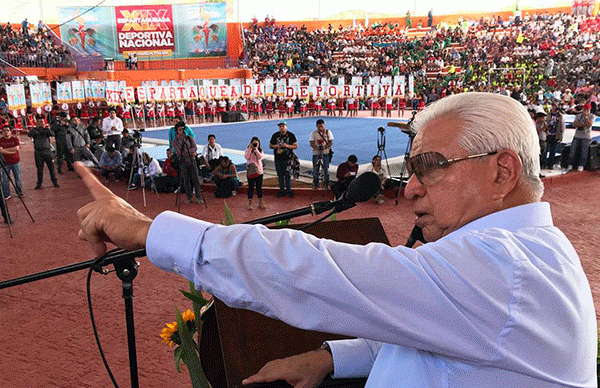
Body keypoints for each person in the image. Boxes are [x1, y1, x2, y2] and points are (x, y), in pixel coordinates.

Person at [75, 92, 596, 386]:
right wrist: (332, 358)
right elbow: (438, 333)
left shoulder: (503, 267)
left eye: (430, 167)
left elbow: (318, 272)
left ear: (502, 172)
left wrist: (146, 230)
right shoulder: (516, 259)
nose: (410, 186)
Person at [172, 124, 203, 204]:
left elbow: (195, 148)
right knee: (186, 180)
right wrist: (190, 152)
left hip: (192, 161)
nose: (182, 131)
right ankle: (189, 197)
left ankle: (198, 197)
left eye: (183, 129)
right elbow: (178, 152)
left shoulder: (189, 138)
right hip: (183, 161)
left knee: (195, 179)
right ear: (177, 131)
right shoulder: (175, 141)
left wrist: (189, 152)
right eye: (179, 129)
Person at [28, 118, 59, 189]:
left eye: (42, 122)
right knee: (39, 168)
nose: (41, 123)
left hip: (47, 150)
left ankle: (54, 181)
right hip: (38, 151)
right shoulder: (34, 130)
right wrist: (35, 128)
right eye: (39, 122)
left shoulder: (46, 130)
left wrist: (46, 128)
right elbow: (29, 134)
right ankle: (39, 183)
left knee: (51, 167)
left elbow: (52, 134)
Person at [269, 120, 297, 197]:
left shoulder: (291, 135)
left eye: (283, 126)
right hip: (278, 159)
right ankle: (281, 190)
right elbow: (271, 146)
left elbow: (295, 146)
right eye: (280, 126)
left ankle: (289, 190)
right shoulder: (275, 135)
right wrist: (276, 146)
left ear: (286, 127)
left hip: (287, 159)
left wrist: (287, 146)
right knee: (280, 175)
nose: (281, 128)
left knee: (288, 175)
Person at [568, 103, 595, 171]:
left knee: (584, 152)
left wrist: (585, 117)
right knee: (572, 151)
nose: (586, 111)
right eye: (584, 109)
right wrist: (583, 124)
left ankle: (581, 165)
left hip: (586, 137)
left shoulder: (592, 116)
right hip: (577, 136)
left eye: (587, 110)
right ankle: (570, 164)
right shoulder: (578, 116)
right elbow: (574, 124)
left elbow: (589, 124)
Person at [309, 119, 334, 190]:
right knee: (315, 169)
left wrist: (325, 147)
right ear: (316, 126)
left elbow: (331, 142)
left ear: (324, 125)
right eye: (319, 126)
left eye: (322, 126)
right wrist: (316, 147)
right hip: (316, 154)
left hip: (325, 153)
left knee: (326, 169)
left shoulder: (328, 132)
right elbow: (311, 142)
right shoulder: (313, 133)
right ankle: (315, 184)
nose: (320, 128)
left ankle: (326, 184)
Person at [0, 125, 23, 199]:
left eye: (7, 130)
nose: (6, 132)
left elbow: (16, 148)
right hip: (5, 163)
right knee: (5, 179)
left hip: (15, 162)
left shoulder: (15, 139)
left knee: (17, 177)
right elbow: (1, 150)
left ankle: (19, 192)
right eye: (4, 130)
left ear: (10, 131)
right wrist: (11, 151)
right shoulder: (1, 140)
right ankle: (6, 194)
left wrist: (5, 150)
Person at [244, 136, 266, 210]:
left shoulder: (260, 150)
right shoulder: (248, 150)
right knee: (251, 187)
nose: (255, 144)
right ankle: (250, 203)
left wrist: (256, 149)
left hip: (259, 171)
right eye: (254, 143)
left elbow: (260, 157)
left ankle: (260, 202)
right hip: (251, 171)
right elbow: (247, 157)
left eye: (257, 143)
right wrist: (250, 149)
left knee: (259, 187)